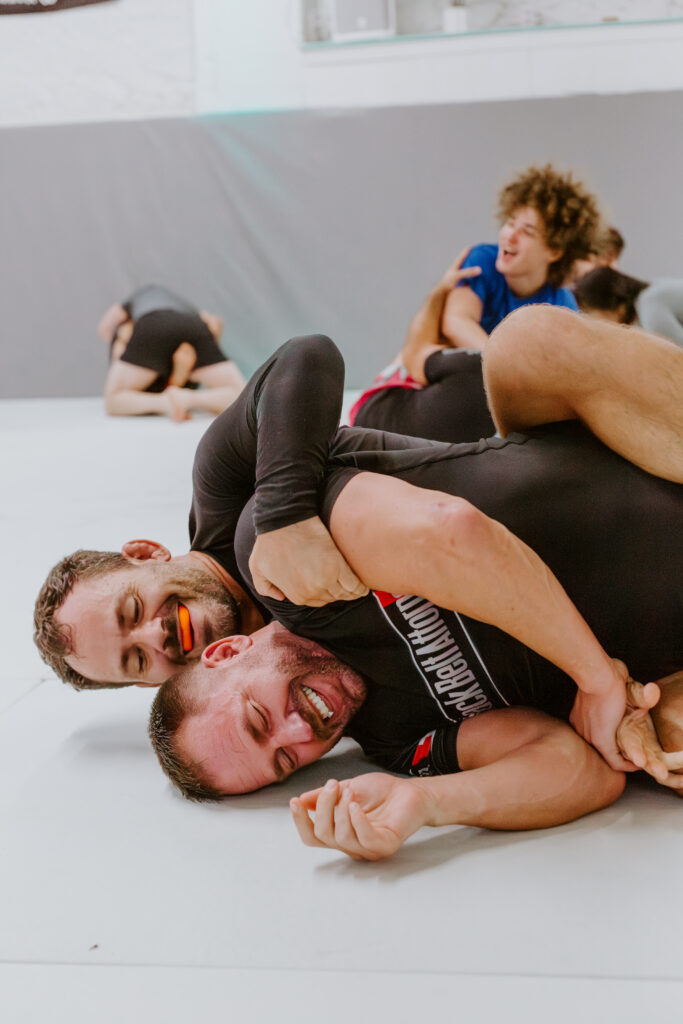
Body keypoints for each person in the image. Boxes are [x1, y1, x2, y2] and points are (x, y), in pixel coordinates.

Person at [35, 310, 683, 767]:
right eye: (136, 660)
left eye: (131, 613)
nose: (154, 637)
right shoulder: (305, 694)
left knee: (528, 340)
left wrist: (287, 517)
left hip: (548, 474)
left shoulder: (227, 492)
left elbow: (306, 355)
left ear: (145, 554)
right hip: (622, 629)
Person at [440, 164, 600, 350]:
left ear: (554, 251)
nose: (511, 235)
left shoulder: (562, 303)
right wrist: (503, 365)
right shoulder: (481, 261)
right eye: (510, 223)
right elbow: (456, 321)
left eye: (527, 231)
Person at [348, 251, 496, 443]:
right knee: (478, 368)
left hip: (390, 425)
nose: (510, 237)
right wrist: (440, 292)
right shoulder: (461, 351)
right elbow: (416, 352)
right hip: (385, 410)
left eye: (527, 231)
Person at [98, 284, 245, 420]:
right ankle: (188, 398)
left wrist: (120, 345)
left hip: (153, 323)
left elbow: (105, 328)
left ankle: (164, 402)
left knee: (113, 400)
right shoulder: (189, 307)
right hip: (195, 325)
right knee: (242, 396)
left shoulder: (136, 300)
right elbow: (215, 324)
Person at [575, 266, 683, 349]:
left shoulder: (650, 311)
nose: (594, 322)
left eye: (589, 312)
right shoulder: (652, 291)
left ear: (609, 303)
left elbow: (679, 358)